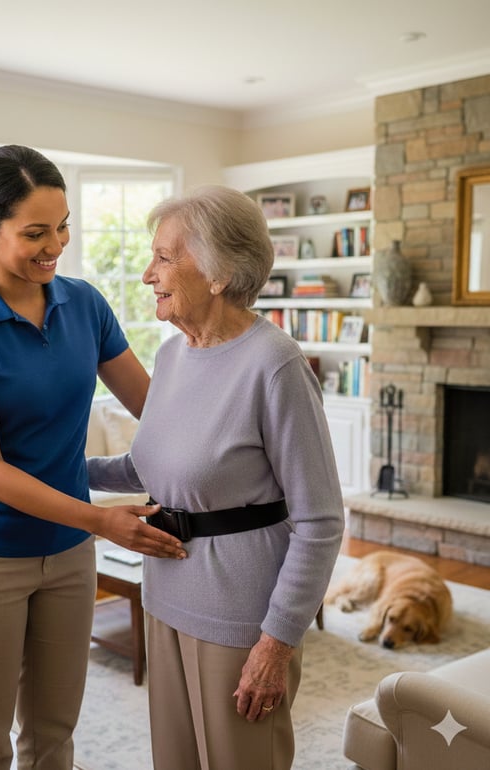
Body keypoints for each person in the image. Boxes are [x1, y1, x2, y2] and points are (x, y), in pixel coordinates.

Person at [0, 144, 185, 770]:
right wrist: (101, 518)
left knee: (52, 735)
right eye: (35, 233)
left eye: (63, 225)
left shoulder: (84, 304)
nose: (55, 245)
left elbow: (155, 406)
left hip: (67, 557)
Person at [87, 185, 345, 770]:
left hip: (241, 616)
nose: (148, 273)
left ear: (221, 273)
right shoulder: (174, 355)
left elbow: (321, 522)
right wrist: (54, 472)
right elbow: (150, 468)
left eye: (165, 257)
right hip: (166, 596)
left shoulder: (275, 364)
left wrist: (276, 643)